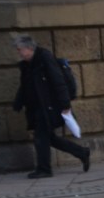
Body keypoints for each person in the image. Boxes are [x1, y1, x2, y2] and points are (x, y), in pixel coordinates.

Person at [12, 33, 89, 178]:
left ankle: (44, 169)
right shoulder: (27, 65)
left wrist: (65, 104)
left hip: (48, 106)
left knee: (41, 138)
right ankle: (82, 152)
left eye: (19, 49)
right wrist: (18, 101)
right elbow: (25, 86)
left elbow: (58, 81)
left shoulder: (44, 58)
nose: (19, 53)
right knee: (49, 138)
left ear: (28, 48)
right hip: (36, 107)